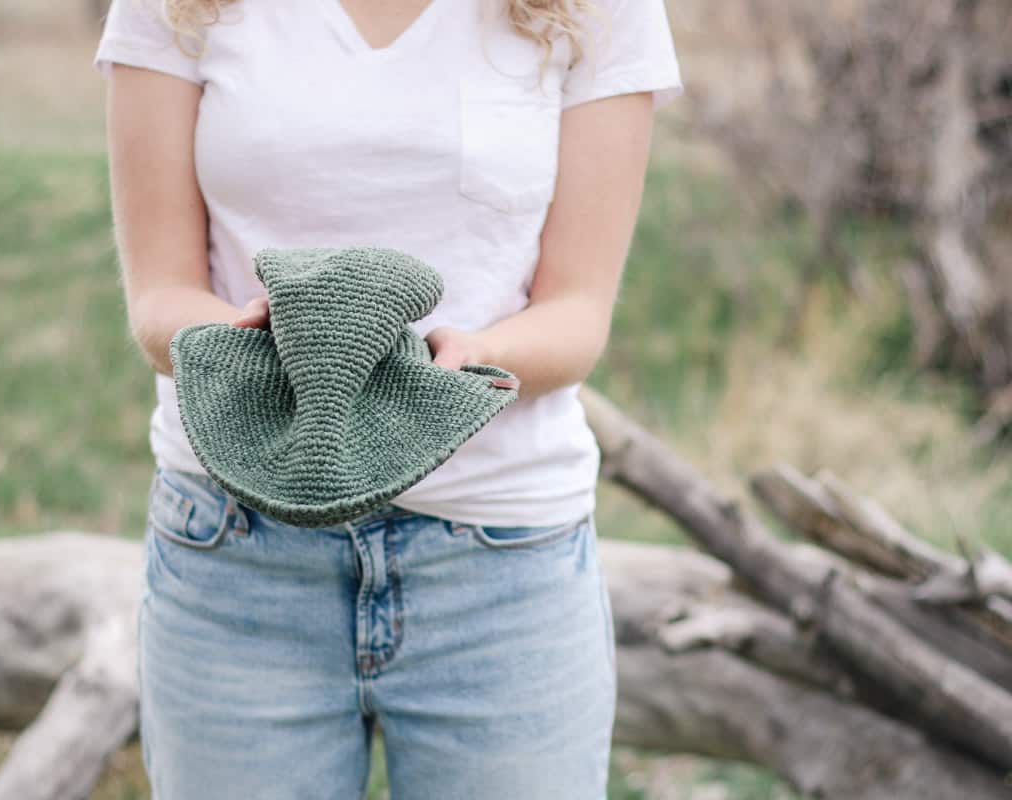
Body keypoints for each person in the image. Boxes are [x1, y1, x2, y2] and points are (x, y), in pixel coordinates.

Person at [93, 0, 683, 796]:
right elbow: (160, 297)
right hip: (237, 554)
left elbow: (577, 313)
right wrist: (264, 341)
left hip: (499, 564)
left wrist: (472, 359)